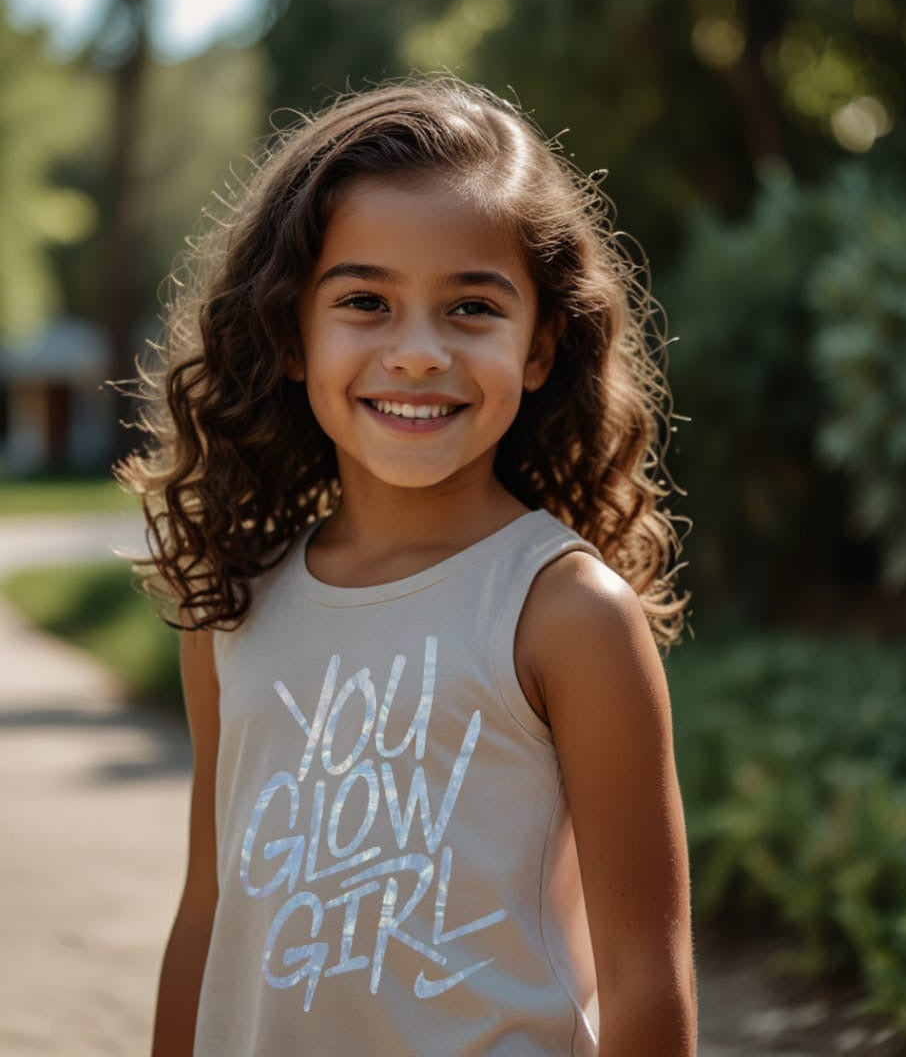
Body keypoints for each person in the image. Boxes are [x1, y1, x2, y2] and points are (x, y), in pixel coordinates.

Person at [118, 75, 696, 1057]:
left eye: (472, 306)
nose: (418, 352)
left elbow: (647, 976)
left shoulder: (565, 612)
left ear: (542, 345)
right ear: (292, 334)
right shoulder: (238, 600)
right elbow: (208, 914)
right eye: (365, 302)